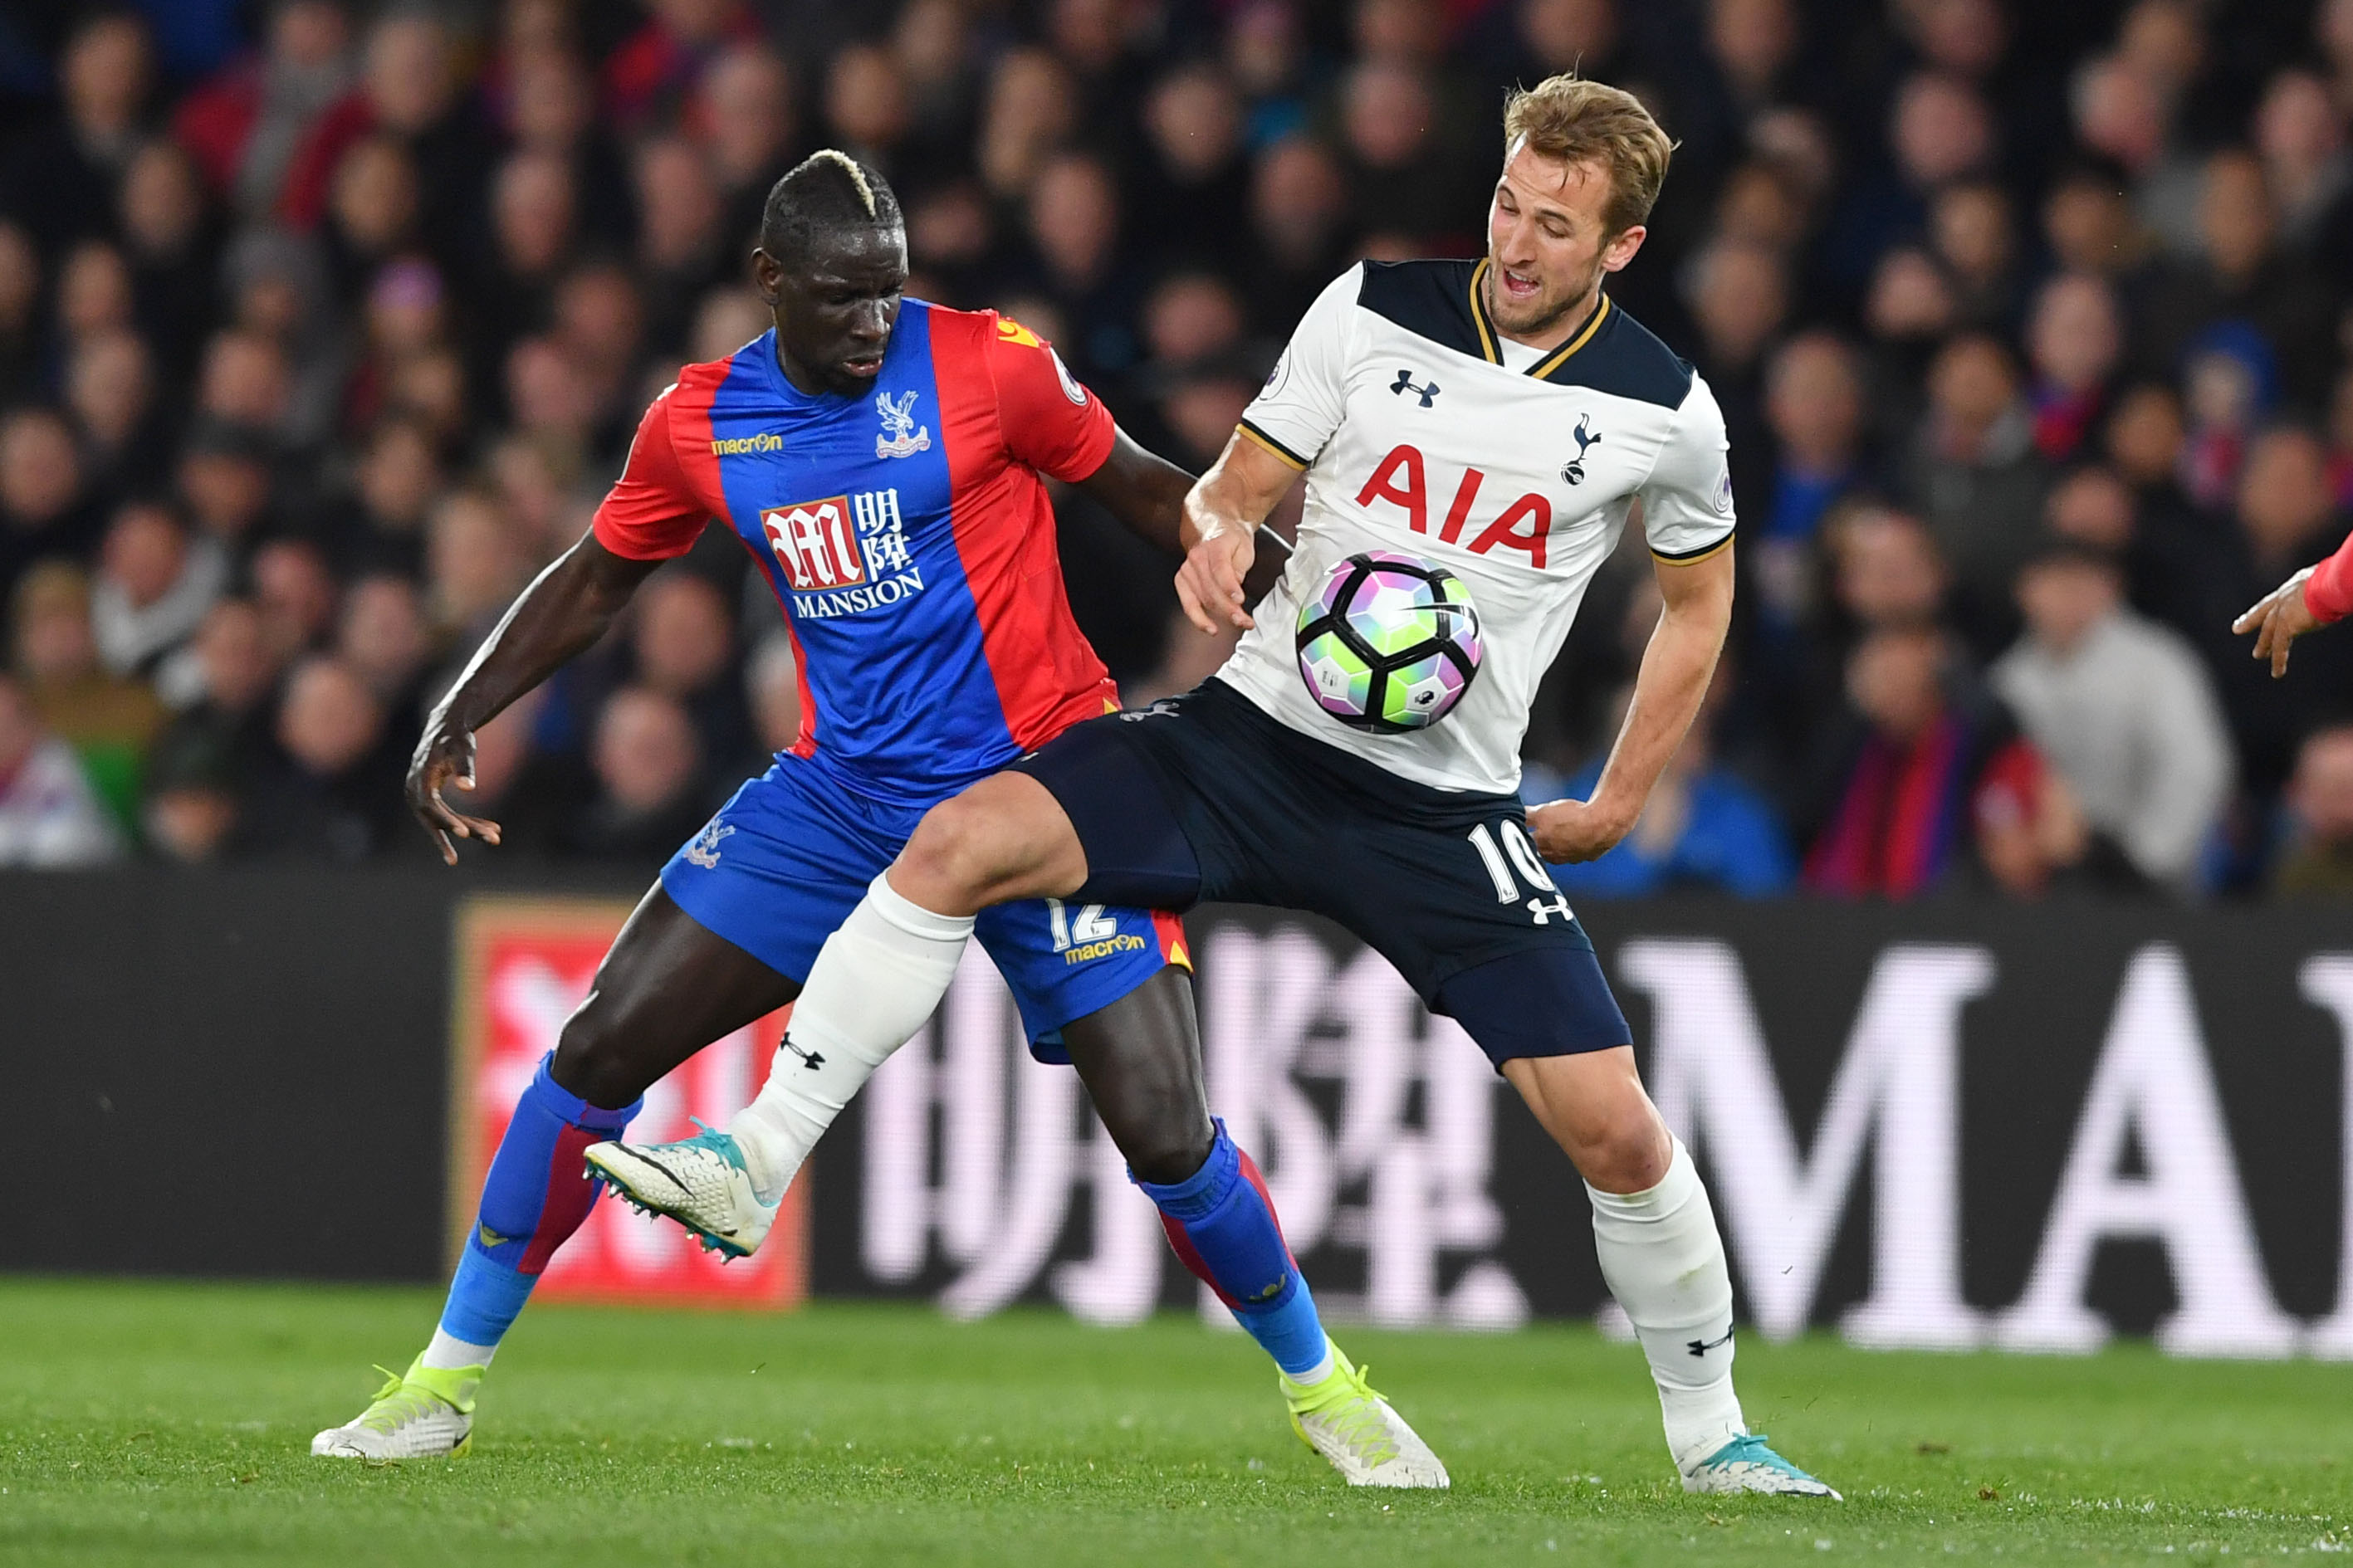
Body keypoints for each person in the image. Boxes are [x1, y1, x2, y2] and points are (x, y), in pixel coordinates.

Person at [604, 79, 1836, 1500]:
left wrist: (1618, 799)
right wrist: (1214, 534)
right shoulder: (1369, 306)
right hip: (1248, 743)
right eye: (1506, 202)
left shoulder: (1666, 414)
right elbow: (1236, 486)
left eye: (1554, 226)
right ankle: (755, 1160)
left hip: (1439, 808)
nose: (1514, 240)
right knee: (959, 840)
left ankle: (1712, 1437)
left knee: (1614, 1127)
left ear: (1619, 248)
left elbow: (1696, 605)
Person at [311, 152, 1434, 1487]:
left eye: (888, 296)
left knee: (1164, 1125)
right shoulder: (702, 420)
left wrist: (1240, 549)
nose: (869, 326)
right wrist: (463, 702)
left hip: (1053, 786)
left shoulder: (989, 364)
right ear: (769, 282)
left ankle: (1330, 1392)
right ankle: (441, 1381)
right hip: (841, 796)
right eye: (841, 298)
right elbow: (600, 577)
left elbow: (1133, 477)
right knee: (599, 1046)